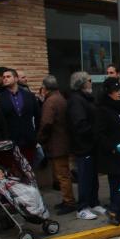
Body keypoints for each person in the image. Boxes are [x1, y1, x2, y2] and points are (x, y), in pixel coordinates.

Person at [95, 77, 120, 225]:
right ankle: (115, 210)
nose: (119, 93)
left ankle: (118, 211)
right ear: (108, 93)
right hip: (114, 153)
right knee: (116, 183)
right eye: (116, 91)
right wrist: (112, 148)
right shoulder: (102, 110)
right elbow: (100, 134)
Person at [67, 71, 105, 220]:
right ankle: (82, 207)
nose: (91, 82)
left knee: (93, 176)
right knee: (84, 177)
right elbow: (80, 124)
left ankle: (94, 202)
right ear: (82, 83)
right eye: (89, 80)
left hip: (92, 145)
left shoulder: (88, 98)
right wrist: (95, 131)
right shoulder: (76, 100)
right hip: (83, 146)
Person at [37, 75, 76, 215]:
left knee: (62, 175)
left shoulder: (50, 102)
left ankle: (69, 201)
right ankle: (67, 199)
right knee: (63, 173)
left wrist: (40, 138)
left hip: (57, 143)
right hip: (63, 142)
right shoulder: (60, 98)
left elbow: (46, 122)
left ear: (45, 88)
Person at [0, 68, 41, 164]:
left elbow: (38, 116)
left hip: (28, 140)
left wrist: (36, 136)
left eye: (8, 76)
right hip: (10, 140)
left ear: (16, 79)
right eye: (3, 77)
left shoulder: (28, 95)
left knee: (29, 168)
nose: (5, 79)